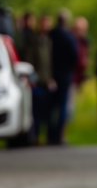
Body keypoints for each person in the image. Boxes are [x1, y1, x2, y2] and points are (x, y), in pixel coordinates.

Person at [47, 10, 78, 145]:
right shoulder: (68, 37)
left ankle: (50, 135)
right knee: (62, 106)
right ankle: (59, 136)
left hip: (51, 74)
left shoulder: (50, 35)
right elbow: (75, 56)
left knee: (52, 106)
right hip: (64, 74)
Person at [27, 13, 55, 145]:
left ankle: (47, 137)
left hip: (47, 82)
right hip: (37, 82)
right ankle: (35, 137)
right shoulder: (35, 41)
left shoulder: (49, 41)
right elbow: (30, 62)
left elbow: (50, 63)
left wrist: (51, 78)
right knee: (36, 113)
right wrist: (32, 79)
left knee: (47, 113)